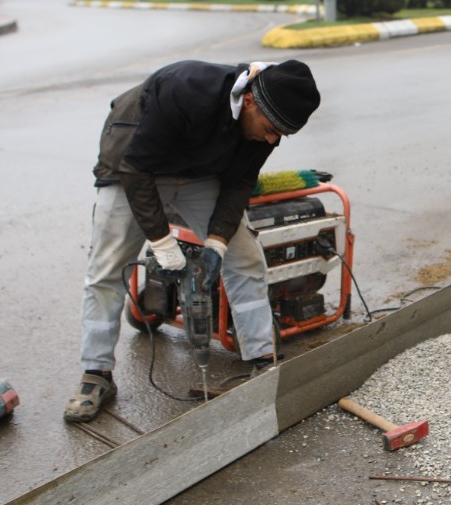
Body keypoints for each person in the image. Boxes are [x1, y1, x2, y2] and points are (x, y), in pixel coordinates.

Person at [64, 59, 321, 422]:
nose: (271, 140)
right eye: (269, 129)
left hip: (200, 172)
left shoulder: (268, 120)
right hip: (133, 165)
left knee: (244, 257)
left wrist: (217, 243)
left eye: (281, 135)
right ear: (249, 100)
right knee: (106, 269)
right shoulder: (184, 88)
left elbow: (239, 183)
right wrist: (162, 243)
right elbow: (137, 169)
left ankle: (263, 359)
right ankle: (96, 374)